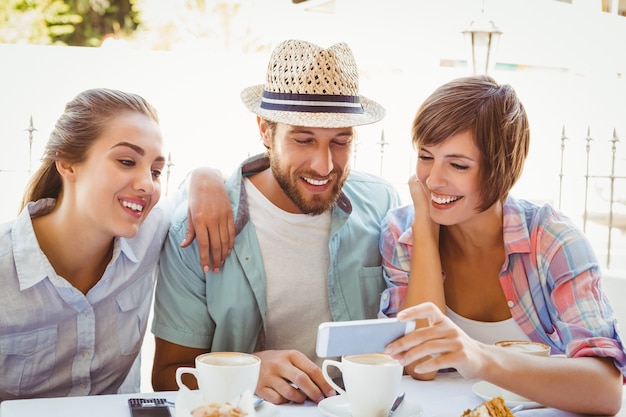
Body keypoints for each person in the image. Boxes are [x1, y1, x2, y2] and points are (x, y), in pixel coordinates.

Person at [151, 39, 402, 405]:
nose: (324, 165)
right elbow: (165, 377)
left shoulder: (382, 205)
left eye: (340, 141)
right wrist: (246, 372)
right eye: (303, 139)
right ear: (265, 131)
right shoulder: (195, 227)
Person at [379, 75, 625, 415]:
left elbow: (605, 391)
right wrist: (425, 228)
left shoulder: (551, 241)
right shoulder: (402, 233)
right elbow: (422, 365)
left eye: (458, 165)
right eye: (425, 156)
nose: (433, 180)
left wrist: (478, 356)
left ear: (501, 168)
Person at [0, 88, 233, 401]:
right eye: (126, 161)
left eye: (155, 171)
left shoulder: (151, 231)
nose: (147, 185)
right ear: (68, 162)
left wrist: (205, 177)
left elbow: (189, 185)